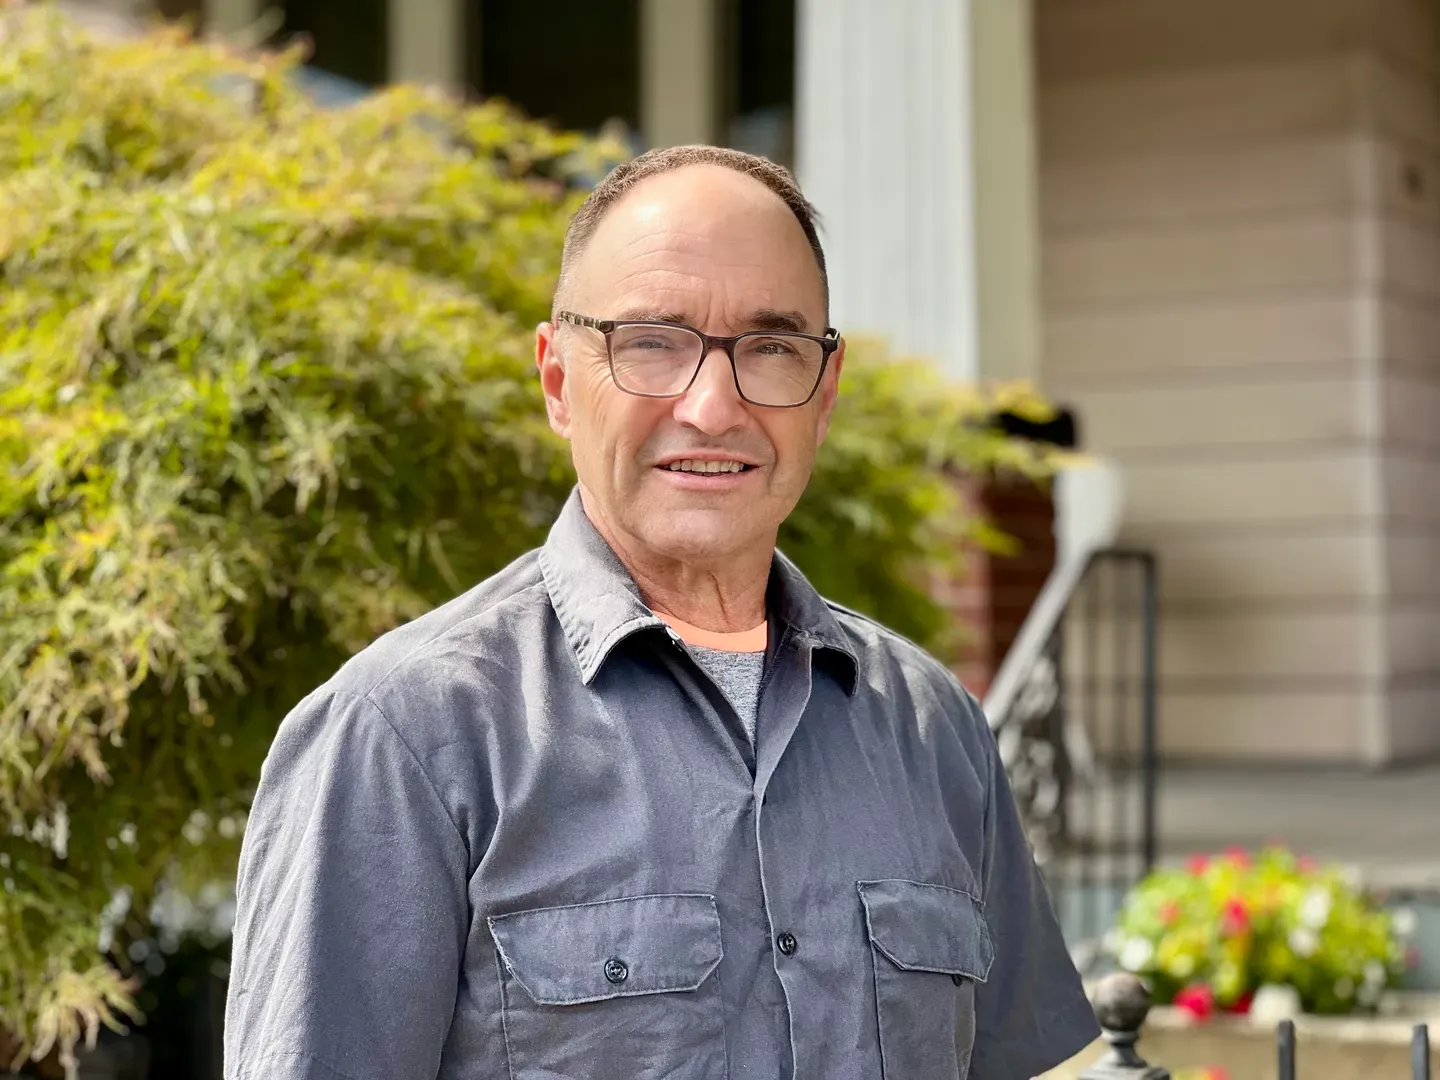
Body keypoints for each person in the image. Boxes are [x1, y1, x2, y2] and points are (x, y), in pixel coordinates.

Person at [224, 145, 1100, 1080]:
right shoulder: (402, 737)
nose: (714, 407)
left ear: (825, 393)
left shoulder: (934, 728)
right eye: (652, 342)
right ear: (558, 381)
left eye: (772, 348)